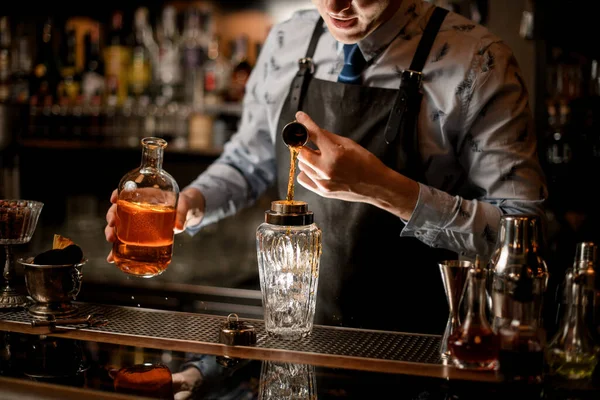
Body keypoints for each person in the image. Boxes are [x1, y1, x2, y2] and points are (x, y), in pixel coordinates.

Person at [105, 0, 547, 335]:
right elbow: (248, 160)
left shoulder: (479, 61)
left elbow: (522, 237)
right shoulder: (287, 41)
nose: (335, 6)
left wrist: (383, 188)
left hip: (420, 350)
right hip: (297, 338)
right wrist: (190, 204)